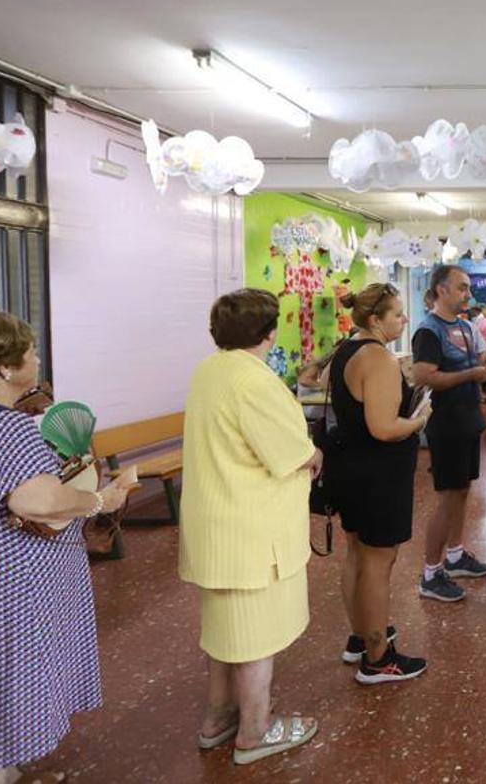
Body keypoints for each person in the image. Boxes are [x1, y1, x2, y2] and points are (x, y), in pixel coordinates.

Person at [178, 289, 324, 765]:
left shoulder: (209, 372)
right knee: (256, 635)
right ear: (268, 332)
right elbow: (288, 453)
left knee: (223, 632)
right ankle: (254, 732)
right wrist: (315, 454)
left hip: (214, 526)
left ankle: (218, 718)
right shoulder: (256, 382)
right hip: (252, 531)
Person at [0, 313, 130, 784]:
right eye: (30, 353)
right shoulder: (9, 428)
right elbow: (36, 500)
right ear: (6, 368)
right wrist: (97, 499)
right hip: (17, 577)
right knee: (18, 669)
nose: (36, 360)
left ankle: (4, 763)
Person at [327, 284, 430, 684]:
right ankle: (378, 657)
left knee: (357, 553)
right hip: (377, 474)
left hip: (349, 468)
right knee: (377, 562)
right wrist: (419, 421)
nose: (404, 320)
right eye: (397, 314)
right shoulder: (380, 360)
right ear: (375, 320)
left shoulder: (346, 351)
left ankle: (360, 635)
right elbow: (385, 427)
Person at [412, 265, 486, 603]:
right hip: (446, 423)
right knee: (447, 496)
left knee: (462, 491)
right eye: (461, 287)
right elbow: (424, 376)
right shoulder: (429, 331)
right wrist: (470, 375)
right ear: (441, 290)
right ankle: (430, 573)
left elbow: (471, 364)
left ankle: (455, 555)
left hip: (468, 418)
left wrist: (485, 368)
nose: (468, 293)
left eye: (468, 287)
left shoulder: (465, 326)